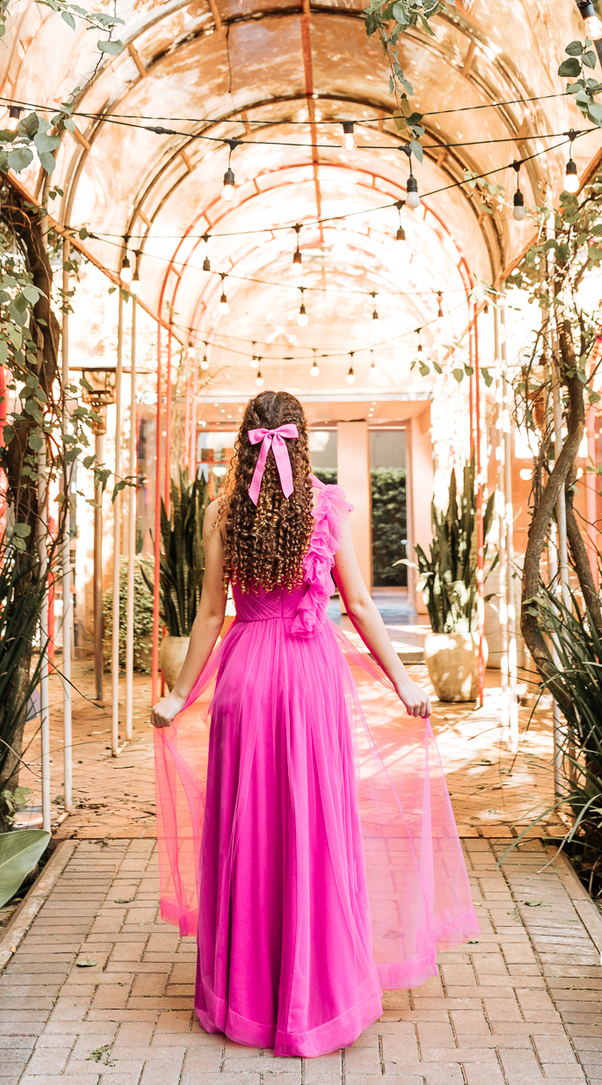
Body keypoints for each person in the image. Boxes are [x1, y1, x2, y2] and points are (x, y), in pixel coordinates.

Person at [152, 388, 478, 1058]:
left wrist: (180, 694)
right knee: (313, 827)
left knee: (249, 828)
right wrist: (406, 681)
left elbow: (210, 616)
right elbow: (358, 603)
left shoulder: (223, 515)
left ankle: (243, 996)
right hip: (308, 680)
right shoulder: (324, 510)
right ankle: (317, 994)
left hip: (245, 678)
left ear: (247, 441)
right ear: (304, 442)